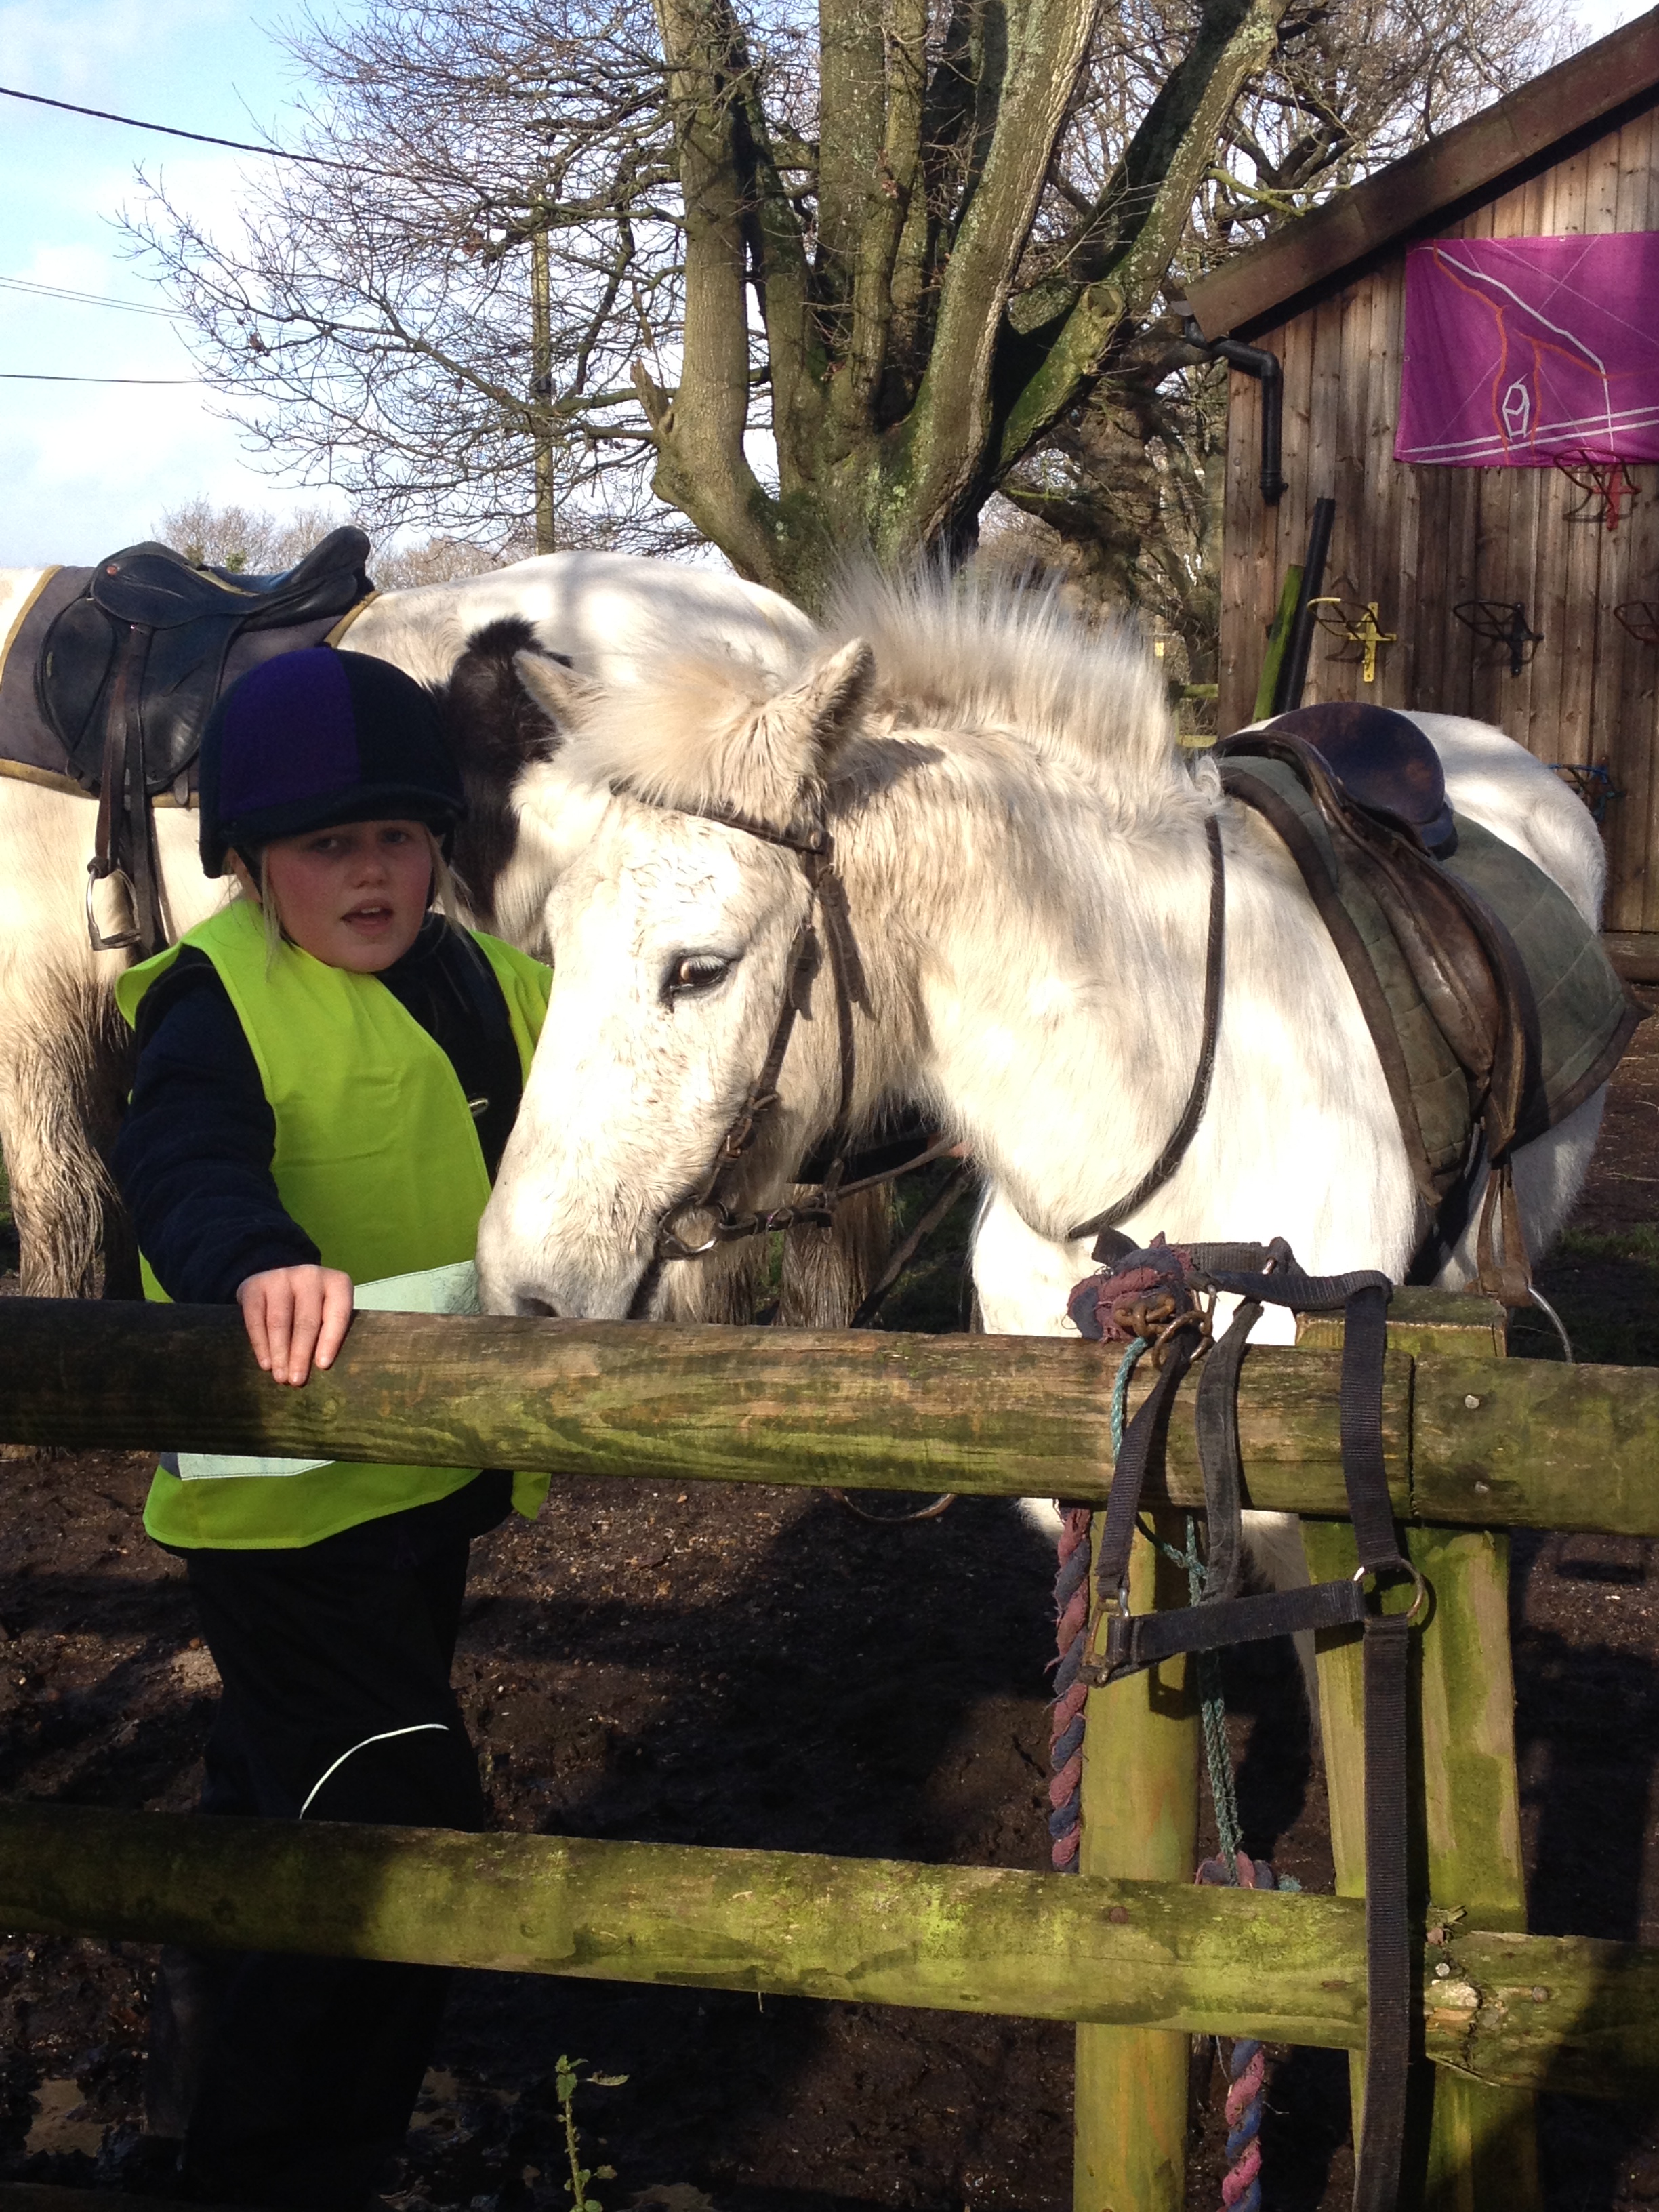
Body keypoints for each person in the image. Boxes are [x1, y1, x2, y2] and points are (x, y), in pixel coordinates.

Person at [110, 646, 551, 2210]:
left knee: (273, 1797)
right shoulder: (214, 1002)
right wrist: (253, 1259)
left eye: (398, 837)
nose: (372, 874)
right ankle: (284, 2170)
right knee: (391, 1832)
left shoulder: (486, 979)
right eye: (326, 845)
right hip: (285, 1507)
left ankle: (189, 2112)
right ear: (249, 865)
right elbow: (185, 1161)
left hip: (425, 1485)